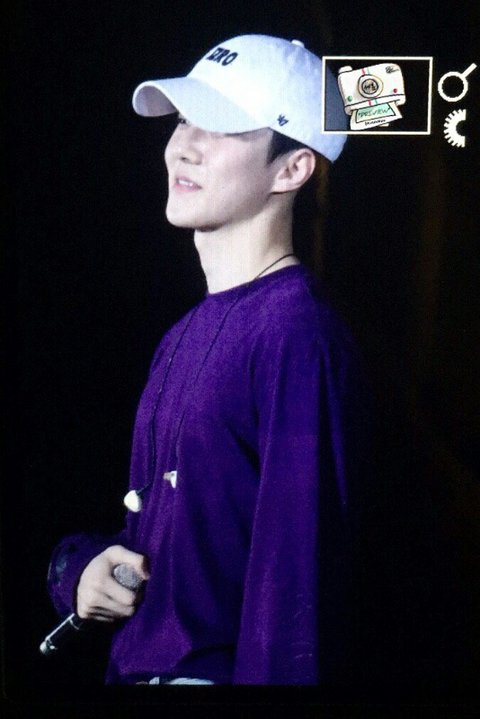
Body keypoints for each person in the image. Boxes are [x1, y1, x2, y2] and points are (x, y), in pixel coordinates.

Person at [47, 33, 372, 686]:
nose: (182, 147)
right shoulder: (182, 334)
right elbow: (171, 535)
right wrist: (82, 570)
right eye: (183, 120)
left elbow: (296, 599)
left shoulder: (296, 336)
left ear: (292, 169)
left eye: (220, 127)